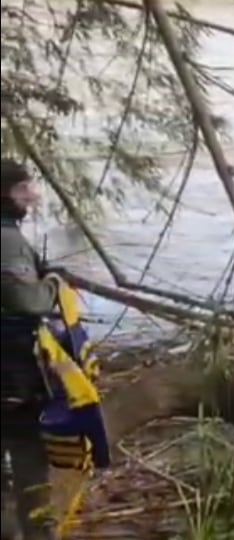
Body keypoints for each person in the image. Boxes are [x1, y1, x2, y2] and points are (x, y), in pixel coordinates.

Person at [1, 159, 60, 540]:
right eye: (24, 190)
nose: (32, 197)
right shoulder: (6, 238)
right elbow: (27, 300)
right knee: (29, 464)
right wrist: (52, 284)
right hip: (10, 373)